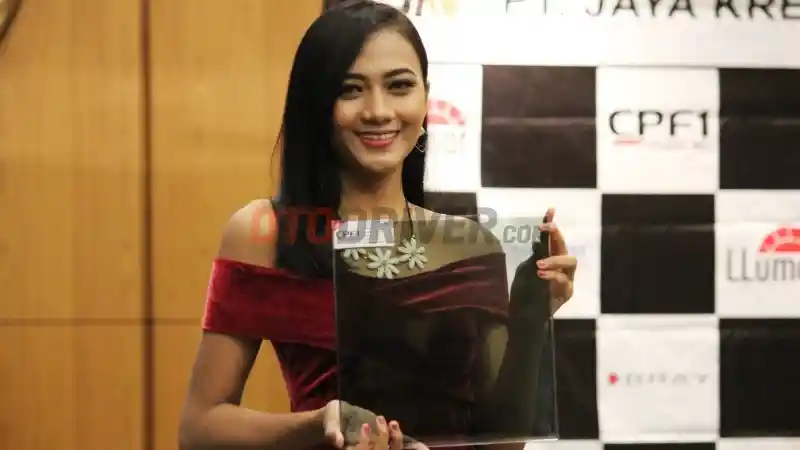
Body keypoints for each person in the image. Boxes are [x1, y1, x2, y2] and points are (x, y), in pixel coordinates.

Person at [177, 1, 578, 450]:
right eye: (350, 90)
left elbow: (502, 444)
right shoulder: (267, 232)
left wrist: (529, 318)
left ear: (425, 96)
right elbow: (199, 428)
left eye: (399, 86)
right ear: (316, 104)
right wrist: (318, 424)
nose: (378, 111)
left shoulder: (472, 245)